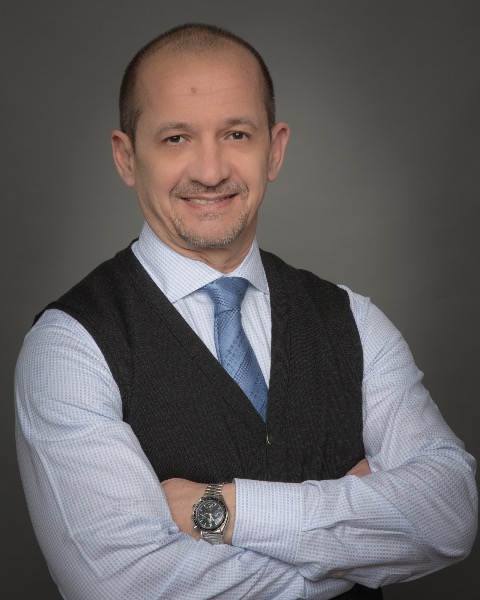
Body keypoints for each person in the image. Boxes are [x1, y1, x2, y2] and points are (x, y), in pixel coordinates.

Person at [15, 23, 477, 600]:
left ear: (274, 150)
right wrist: (360, 552)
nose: (210, 172)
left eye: (236, 134)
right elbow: (126, 585)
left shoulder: (352, 320)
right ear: (127, 158)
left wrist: (223, 509)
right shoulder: (68, 347)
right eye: (176, 138)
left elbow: (450, 513)